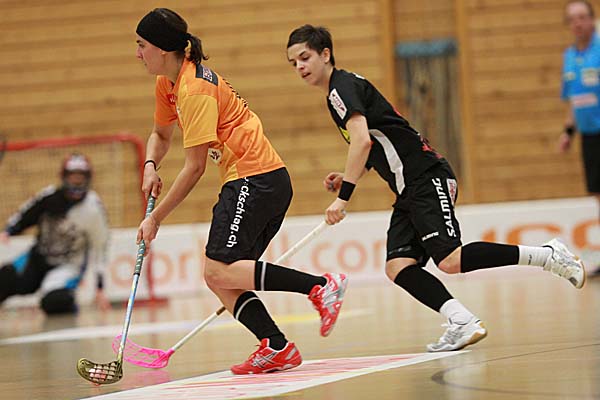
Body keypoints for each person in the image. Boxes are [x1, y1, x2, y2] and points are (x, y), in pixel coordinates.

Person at [286, 24, 586, 352]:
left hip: (426, 177)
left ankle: (547, 255)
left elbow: (362, 141)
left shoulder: (342, 89)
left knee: (450, 259)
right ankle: (462, 321)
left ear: (325, 54)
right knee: (399, 266)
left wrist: (343, 199)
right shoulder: (339, 92)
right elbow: (378, 141)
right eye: (293, 62)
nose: (300, 66)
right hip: (408, 188)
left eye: (305, 57)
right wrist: (348, 175)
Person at [133, 8, 348, 375]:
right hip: (259, 180)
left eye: (142, 45)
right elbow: (160, 135)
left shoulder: (194, 89)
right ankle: (276, 346)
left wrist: (155, 218)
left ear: (163, 48)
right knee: (221, 275)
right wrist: (151, 164)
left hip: (254, 178)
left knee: (219, 270)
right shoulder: (167, 84)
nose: (137, 53)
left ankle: (321, 287)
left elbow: (195, 167)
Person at [0, 153, 110, 315]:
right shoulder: (49, 196)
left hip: (68, 265)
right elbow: (27, 214)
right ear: (64, 177)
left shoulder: (93, 209)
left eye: (80, 178)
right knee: (5, 278)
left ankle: (69, 305)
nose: (76, 182)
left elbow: (100, 248)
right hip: (38, 257)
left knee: (55, 301)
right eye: (73, 177)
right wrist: (9, 230)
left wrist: (100, 287)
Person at [559, 0, 600, 275]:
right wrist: (568, 132)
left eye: (582, 17)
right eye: (572, 19)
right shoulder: (570, 56)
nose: (577, 23)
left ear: (592, 19)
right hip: (589, 136)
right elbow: (574, 99)